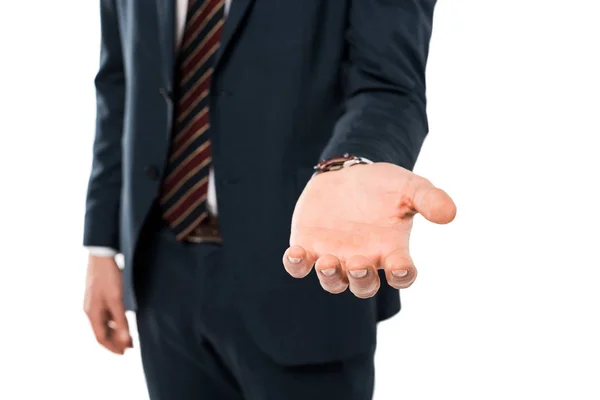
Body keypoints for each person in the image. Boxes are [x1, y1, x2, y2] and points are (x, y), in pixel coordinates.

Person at [83, 0, 456, 399]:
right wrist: (102, 247)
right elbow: (119, 84)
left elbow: (388, 86)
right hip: (161, 269)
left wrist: (351, 163)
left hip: (305, 266)